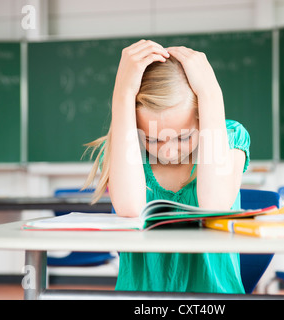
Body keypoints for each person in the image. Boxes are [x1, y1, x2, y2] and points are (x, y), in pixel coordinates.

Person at [84, 39, 251, 293]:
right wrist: (122, 94)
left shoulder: (228, 138)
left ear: (203, 117)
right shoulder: (126, 147)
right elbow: (130, 208)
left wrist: (210, 93)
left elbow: (214, 204)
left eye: (184, 137)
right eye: (153, 139)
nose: (169, 151)